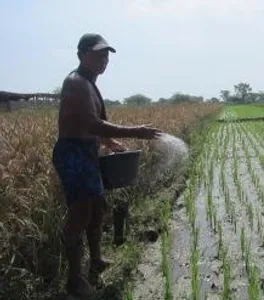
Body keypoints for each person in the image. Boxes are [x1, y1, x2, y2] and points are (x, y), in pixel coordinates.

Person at [52, 33, 162, 298]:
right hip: (73, 154)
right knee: (80, 214)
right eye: (98, 54)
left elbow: (94, 126)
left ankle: (97, 260)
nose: (104, 60)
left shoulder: (90, 84)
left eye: (106, 56)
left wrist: (109, 141)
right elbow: (90, 124)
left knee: (98, 209)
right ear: (81, 54)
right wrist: (136, 131)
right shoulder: (76, 83)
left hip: (88, 153)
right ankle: (74, 283)